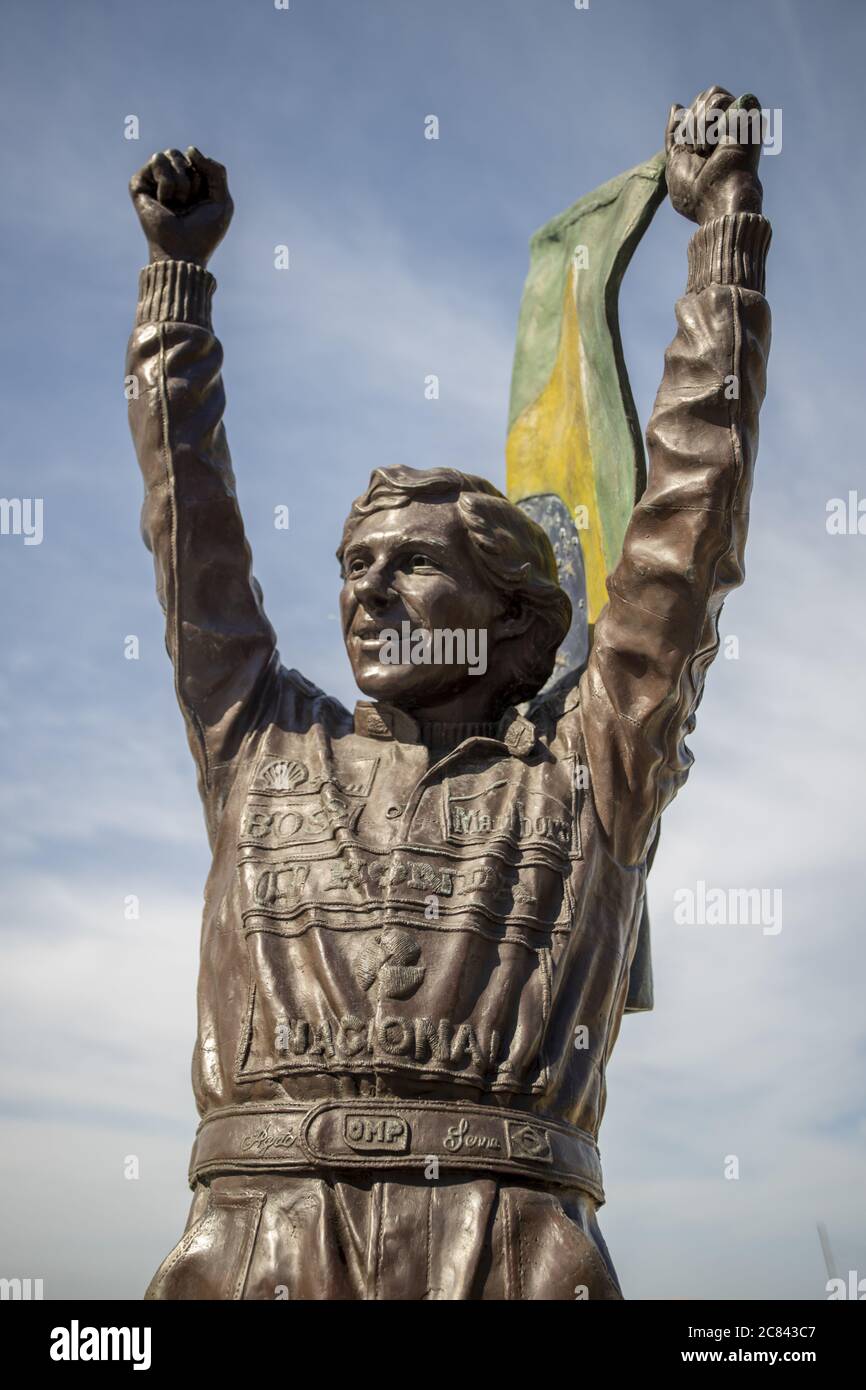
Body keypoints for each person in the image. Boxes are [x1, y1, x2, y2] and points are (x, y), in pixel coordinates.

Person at [127, 86, 771, 1300]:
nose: (368, 593)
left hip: (514, 1247)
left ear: (512, 616)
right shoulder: (261, 738)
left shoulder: (591, 765)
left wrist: (721, 234)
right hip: (256, 1242)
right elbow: (192, 532)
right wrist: (177, 290)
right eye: (352, 567)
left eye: (415, 564)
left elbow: (688, 523)